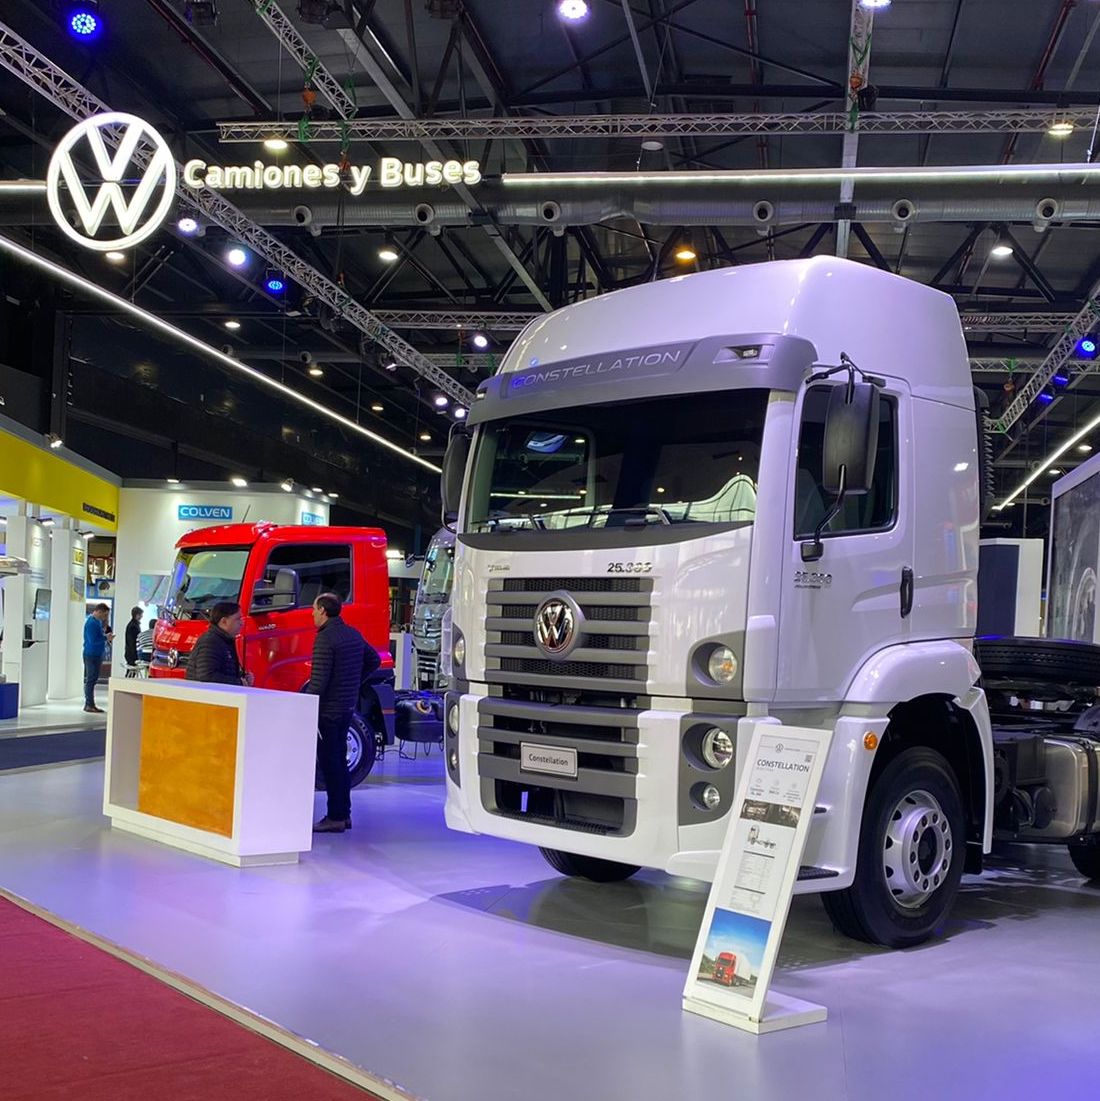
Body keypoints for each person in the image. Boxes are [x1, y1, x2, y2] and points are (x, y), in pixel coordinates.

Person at [308, 592, 380, 834]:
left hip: (328, 709)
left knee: (331, 763)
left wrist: (306, 705)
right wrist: (354, 682)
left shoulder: (325, 638)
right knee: (340, 762)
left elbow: (319, 681)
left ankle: (335, 817)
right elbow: (374, 660)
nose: (312, 614)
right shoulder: (353, 634)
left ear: (323, 611)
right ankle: (344, 813)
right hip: (347, 706)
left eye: (314, 609)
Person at [185, 602, 254, 686]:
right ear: (224, 621)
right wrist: (238, 683)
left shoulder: (225, 640)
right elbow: (206, 677)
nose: (241, 623)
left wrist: (243, 678)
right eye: (238, 619)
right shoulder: (210, 642)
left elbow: (224, 671)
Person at [82, 603, 113, 714]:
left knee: (93, 679)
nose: (105, 617)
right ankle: (89, 704)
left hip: (97, 654)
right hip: (91, 654)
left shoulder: (97, 622)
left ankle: (90, 704)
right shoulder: (91, 623)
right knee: (91, 680)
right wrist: (106, 638)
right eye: (104, 615)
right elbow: (93, 640)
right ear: (99, 611)